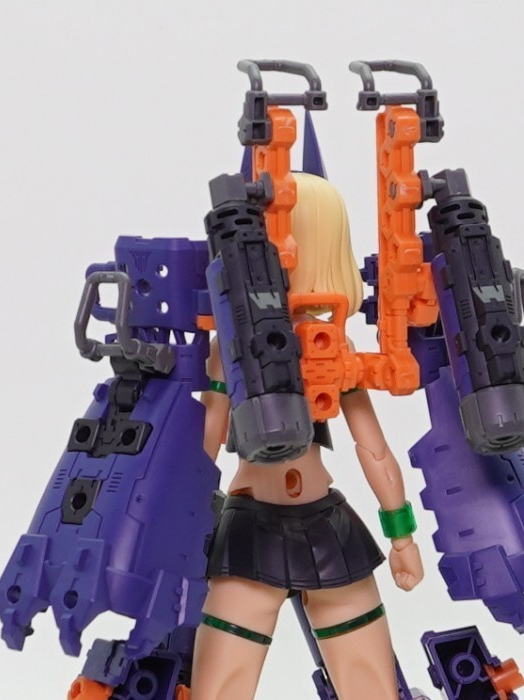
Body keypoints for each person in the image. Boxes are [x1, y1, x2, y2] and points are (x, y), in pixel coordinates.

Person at [191, 172, 423, 700]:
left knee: (370, 683)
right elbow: (204, 447)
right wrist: (181, 533)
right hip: (249, 531)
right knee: (221, 684)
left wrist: (402, 536)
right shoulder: (229, 351)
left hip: (328, 528)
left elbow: (374, 449)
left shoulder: (330, 345)